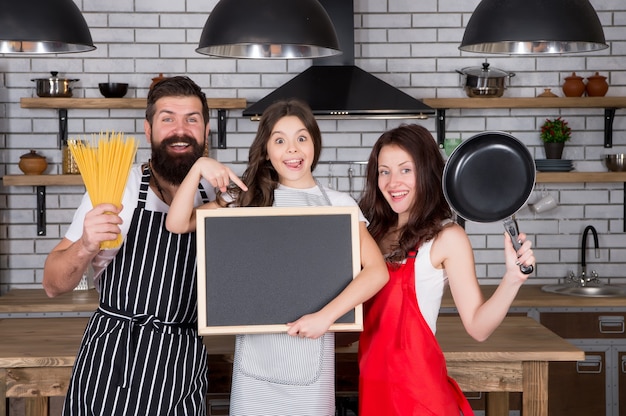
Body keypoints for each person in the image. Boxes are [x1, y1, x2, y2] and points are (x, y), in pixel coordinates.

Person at [166, 99, 388, 415]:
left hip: (312, 366)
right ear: (267, 150)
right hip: (254, 369)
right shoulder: (246, 199)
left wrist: (325, 317)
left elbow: (377, 271)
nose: (292, 150)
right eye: (280, 140)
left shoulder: (338, 205)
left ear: (315, 143)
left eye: (301, 138)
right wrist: (199, 167)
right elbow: (176, 223)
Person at [42, 76, 246, 416]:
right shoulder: (117, 187)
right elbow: (52, 284)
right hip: (112, 360)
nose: (180, 130)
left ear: (206, 130)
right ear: (148, 130)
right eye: (167, 118)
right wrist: (87, 244)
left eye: (191, 119)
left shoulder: (219, 192)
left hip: (181, 361)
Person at [357, 124, 536, 416]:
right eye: (384, 171)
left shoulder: (446, 237)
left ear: (426, 173)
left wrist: (513, 279)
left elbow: (478, 328)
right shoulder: (371, 235)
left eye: (406, 169)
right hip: (374, 394)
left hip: (420, 399)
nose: (392, 182)